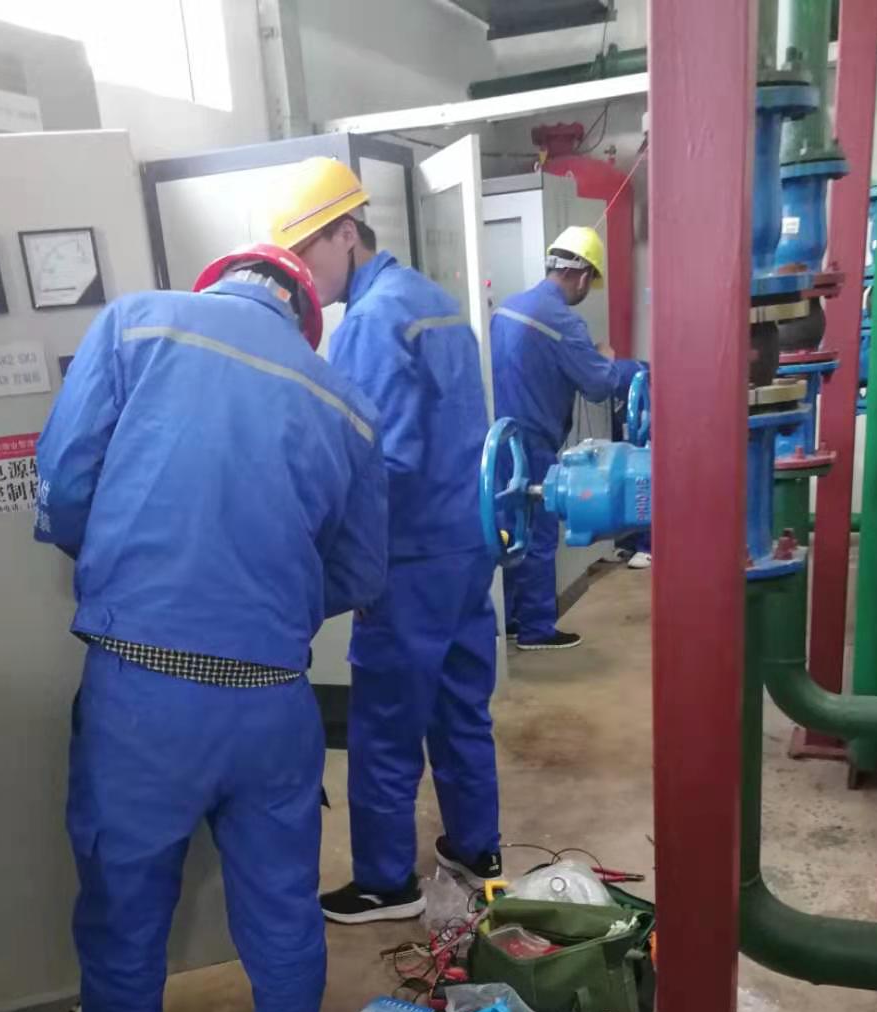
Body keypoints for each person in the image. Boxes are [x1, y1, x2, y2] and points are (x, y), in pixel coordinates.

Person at [34, 244, 387, 1012]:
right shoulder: (344, 404)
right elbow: (359, 572)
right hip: (271, 698)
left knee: (123, 915)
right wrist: (266, 605)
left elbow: (65, 486)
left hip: (140, 690)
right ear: (305, 317)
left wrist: (128, 565)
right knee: (281, 901)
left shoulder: (136, 325)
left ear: (219, 281)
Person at [269, 157, 502, 924]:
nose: (301, 276)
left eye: (307, 252)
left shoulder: (369, 322)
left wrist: (351, 565)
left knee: (385, 725)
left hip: (408, 557)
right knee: (461, 706)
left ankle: (383, 882)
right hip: (467, 544)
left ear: (347, 233)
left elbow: (379, 463)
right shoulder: (434, 301)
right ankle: (477, 849)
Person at [491, 226, 646, 650]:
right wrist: (609, 360)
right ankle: (537, 629)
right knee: (539, 533)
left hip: (498, 440)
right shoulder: (563, 321)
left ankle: (510, 619)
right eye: (590, 282)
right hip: (533, 442)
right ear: (581, 275)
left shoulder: (506, 309)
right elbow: (599, 385)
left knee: (506, 530)